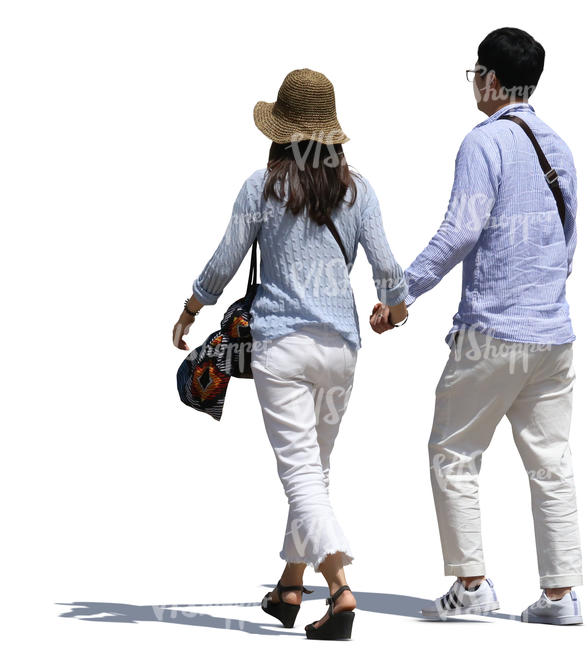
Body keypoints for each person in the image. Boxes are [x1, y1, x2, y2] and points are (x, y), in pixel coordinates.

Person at [172, 68, 408, 640]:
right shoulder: (359, 190)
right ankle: (290, 587)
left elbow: (225, 259)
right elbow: (389, 271)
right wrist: (393, 310)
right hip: (341, 351)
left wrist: (191, 306)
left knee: (301, 474)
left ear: (282, 130)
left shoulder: (262, 186)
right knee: (315, 472)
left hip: (280, 345)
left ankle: (341, 591)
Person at [372, 27, 583, 625]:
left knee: (453, 453)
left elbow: (460, 231)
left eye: (476, 75)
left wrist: (400, 292)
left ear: (491, 79)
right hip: (554, 335)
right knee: (552, 464)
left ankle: (471, 586)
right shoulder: (560, 147)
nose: (475, 85)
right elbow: (567, 247)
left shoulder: (483, 142)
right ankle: (561, 597)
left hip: (492, 332)